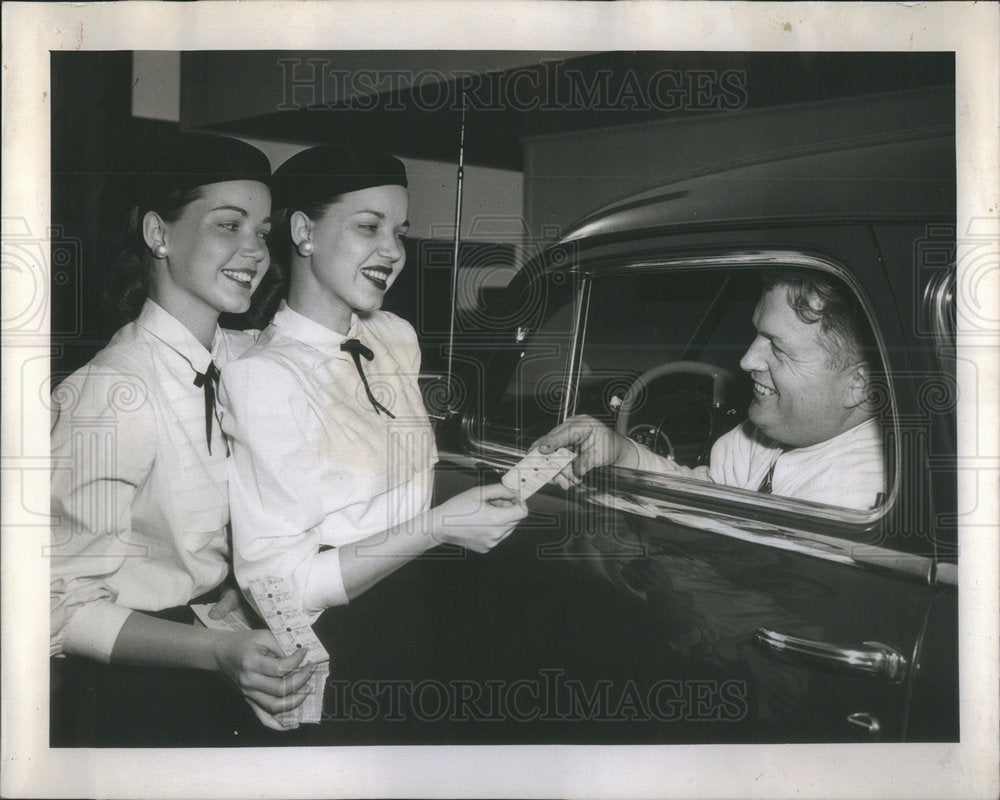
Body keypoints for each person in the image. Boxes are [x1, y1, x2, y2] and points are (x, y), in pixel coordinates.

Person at [50, 133, 313, 746]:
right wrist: (215, 652)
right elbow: (52, 605)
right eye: (229, 225)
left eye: (263, 231)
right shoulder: (111, 395)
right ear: (158, 235)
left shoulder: (247, 360)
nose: (256, 252)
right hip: (137, 692)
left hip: (224, 654)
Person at [219, 144, 527, 626]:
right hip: (342, 625)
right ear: (304, 232)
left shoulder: (395, 336)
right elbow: (278, 592)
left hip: (418, 600)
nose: (393, 251)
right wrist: (439, 526)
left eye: (399, 233)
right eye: (369, 227)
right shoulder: (265, 377)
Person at [536, 270, 885, 510]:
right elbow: (703, 494)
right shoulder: (766, 435)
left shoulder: (858, 491)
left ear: (859, 384)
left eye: (777, 348)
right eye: (757, 336)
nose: (748, 360)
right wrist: (621, 453)